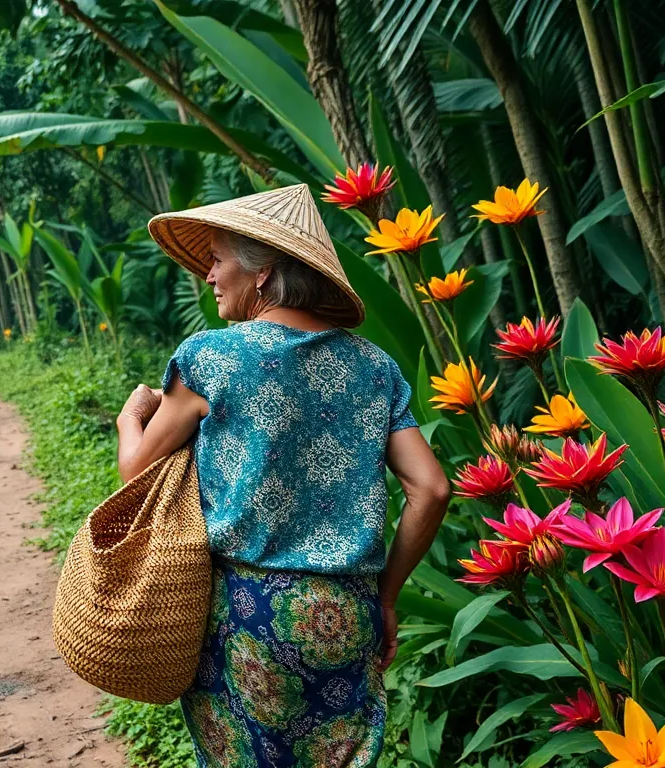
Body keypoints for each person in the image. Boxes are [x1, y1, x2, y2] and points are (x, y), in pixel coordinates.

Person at [116, 185, 450, 767]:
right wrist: (386, 597)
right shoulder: (375, 366)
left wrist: (129, 419)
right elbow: (433, 488)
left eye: (218, 260)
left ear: (264, 273)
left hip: (247, 614)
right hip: (348, 612)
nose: (210, 276)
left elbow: (136, 472)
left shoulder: (212, 359)